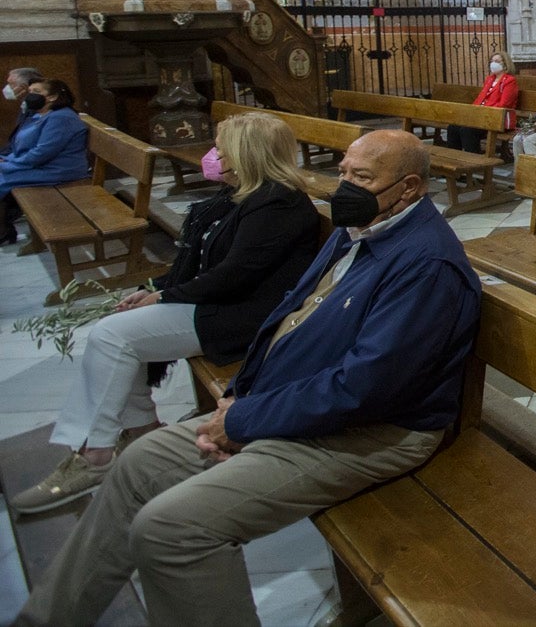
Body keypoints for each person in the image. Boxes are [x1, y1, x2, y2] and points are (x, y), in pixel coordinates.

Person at [13, 130, 480, 627]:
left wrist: (244, 420)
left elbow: (367, 389)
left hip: (373, 432)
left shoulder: (426, 265)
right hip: (298, 404)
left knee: (171, 530)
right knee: (140, 462)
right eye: (342, 171)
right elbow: (289, 312)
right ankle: (47, 619)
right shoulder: (362, 226)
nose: (344, 186)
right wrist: (240, 394)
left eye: (362, 178)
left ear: (409, 188)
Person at [12, 114, 323, 514]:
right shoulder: (242, 196)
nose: (215, 155)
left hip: (243, 317)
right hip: (219, 303)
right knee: (115, 332)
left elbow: (233, 276)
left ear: (248, 155)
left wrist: (163, 297)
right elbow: (201, 264)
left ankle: (96, 456)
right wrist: (155, 288)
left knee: (114, 336)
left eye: (222, 148)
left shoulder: (278, 203)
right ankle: (138, 432)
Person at [0, 79, 90, 245]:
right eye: (30, 91)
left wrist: (8, 164)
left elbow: (42, 153)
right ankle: (4, 229)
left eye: (37, 92)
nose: (30, 95)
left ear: (52, 97)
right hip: (42, 165)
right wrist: (9, 159)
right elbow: (21, 146)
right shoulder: (38, 114)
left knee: (2, 177)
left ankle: (3, 231)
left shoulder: (61, 118)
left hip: (58, 169)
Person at [440, 50, 519, 153]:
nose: (493, 63)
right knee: (453, 127)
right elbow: (480, 99)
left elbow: (504, 104)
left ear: (505, 64)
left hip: (497, 118)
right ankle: (455, 157)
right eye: (492, 61)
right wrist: (473, 111)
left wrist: (483, 112)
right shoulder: (490, 79)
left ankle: (473, 159)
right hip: (482, 116)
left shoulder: (509, 81)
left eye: (497, 61)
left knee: (467, 130)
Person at [3, 65, 44, 153]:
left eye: (11, 84)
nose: (7, 88)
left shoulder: (40, 110)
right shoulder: (25, 106)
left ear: (24, 87)